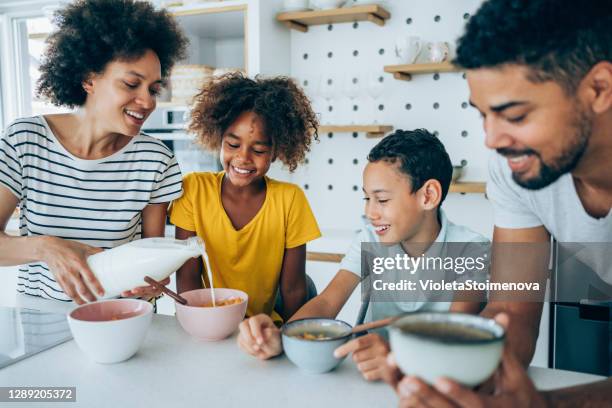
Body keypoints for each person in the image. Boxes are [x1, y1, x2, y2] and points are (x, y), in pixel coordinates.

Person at [391, 0, 612, 406]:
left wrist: (543, 405)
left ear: (599, 89)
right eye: (484, 116)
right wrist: (454, 376)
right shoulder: (514, 168)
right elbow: (512, 305)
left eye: (514, 115)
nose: (491, 140)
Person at [237, 129, 489, 381]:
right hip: (364, 375)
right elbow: (327, 302)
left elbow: (456, 334)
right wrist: (281, 338)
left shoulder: (471, 249)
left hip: (433, 381)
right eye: (367, 198)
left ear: (428, 195)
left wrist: (397, 358)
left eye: (381, 199)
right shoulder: (370, 238)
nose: (370, 212)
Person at [0, 0, 188, 304]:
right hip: (42, 322)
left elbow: (152, 256)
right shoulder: (26, 141)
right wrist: (47, 247)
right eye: (131, 84)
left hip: (124, 320)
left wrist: (151, 285)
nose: (148, 101)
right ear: (89, 79)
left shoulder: (155, 160)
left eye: (153, 89)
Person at [169, 73, 321, 323]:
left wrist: (293, 341)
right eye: (232, 145)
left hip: (265, 326)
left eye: (259, 150)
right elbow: (187, 280)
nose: (243, 158)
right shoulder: (194, 189)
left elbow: (293, 289)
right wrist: (199, 326)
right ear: (218, 139)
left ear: (275, 152)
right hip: (209, 322)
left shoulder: (290, 200)